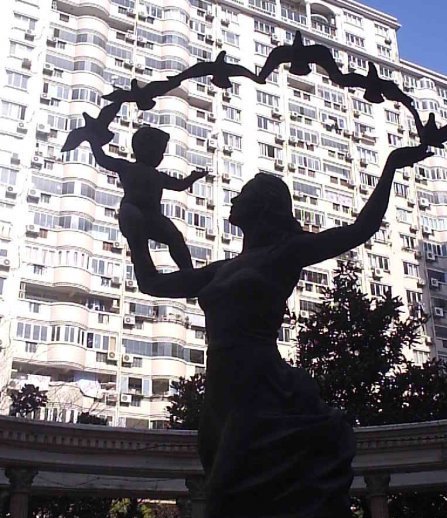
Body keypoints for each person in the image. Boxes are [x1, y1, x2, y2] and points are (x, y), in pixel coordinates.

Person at [126, 145, 432, 518]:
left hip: (260, 385)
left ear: (263, 206)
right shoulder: (221, 269)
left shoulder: (285, 253)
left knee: (224, 496)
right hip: (220, 394)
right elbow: (153, 283)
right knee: (229, 498)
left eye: (244, 193)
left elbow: (360, 229)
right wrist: (136, 235)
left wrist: (391, 166)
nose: (234, 199)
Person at [88, 126, 209, 269]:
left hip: (152, 217)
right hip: (132, 212)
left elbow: (179, 185)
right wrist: (93, 139)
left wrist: (192, 178)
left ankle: (188, 272)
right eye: (159, 152)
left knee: (175, 236)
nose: (160, 157)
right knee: (135, 223)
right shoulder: (127, 167)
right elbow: (103, 159)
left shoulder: (158, 176)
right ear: (145, 150)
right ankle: (144, 265)